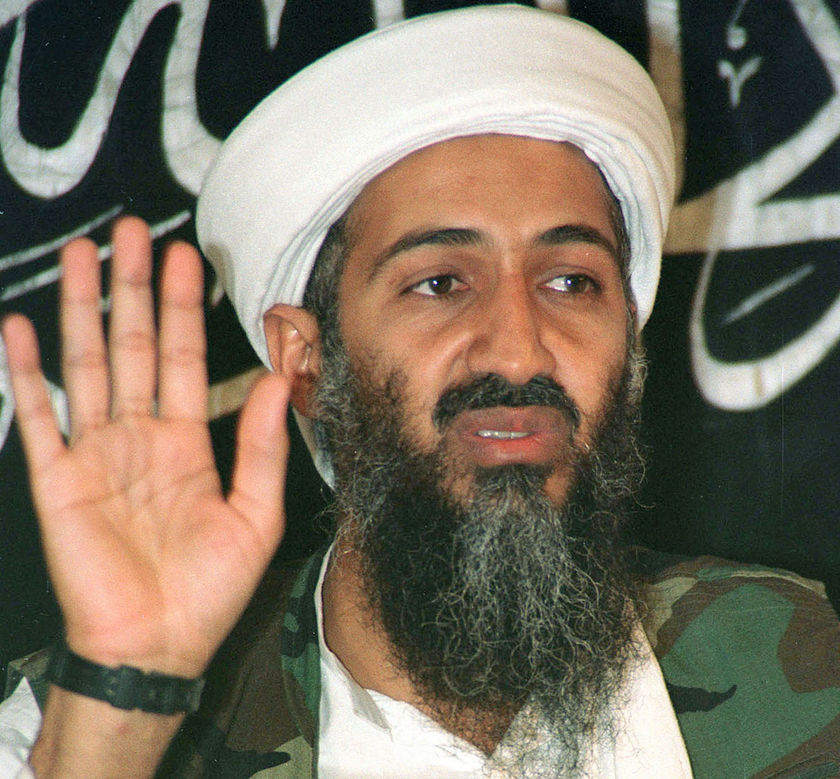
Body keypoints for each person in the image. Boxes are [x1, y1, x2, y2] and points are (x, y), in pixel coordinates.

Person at [2, 6, 840, 778]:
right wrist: (124, 699)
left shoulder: (812, 669)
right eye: (440, 283)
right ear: (307, 360)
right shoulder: (56, 728)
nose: (518, 347)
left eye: (571, 281)